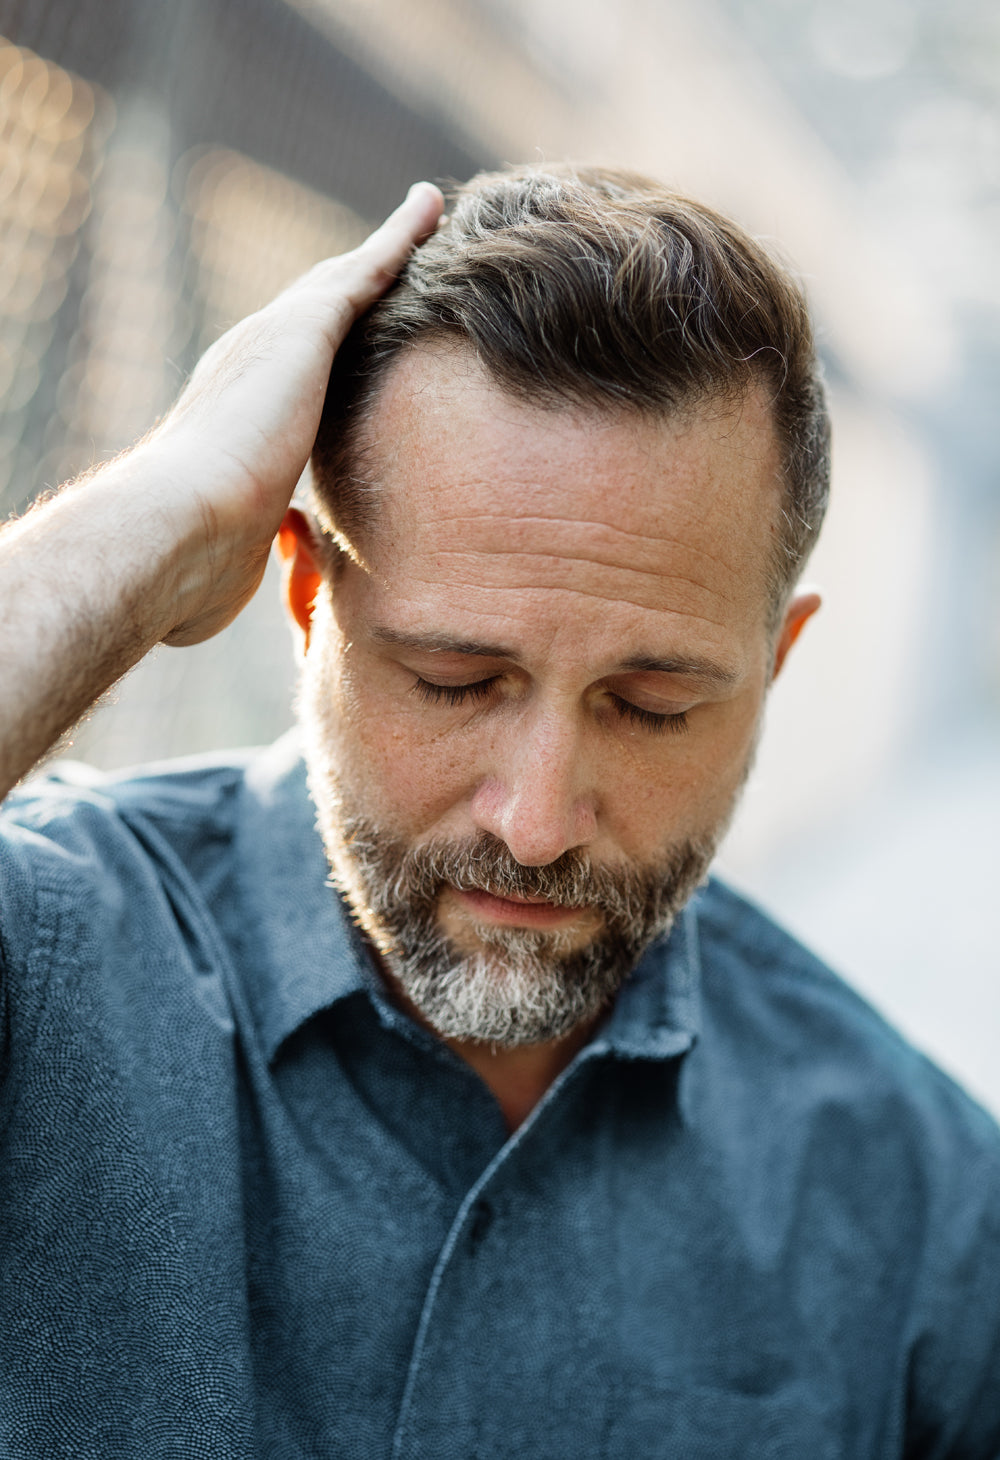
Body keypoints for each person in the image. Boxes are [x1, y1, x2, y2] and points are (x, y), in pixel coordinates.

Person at [0, 165, 998, 1458]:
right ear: (309, 606)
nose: (535, 824)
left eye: (650, 706)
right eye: (456, 682)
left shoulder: (922, 1204)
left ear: (775, 670)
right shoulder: (54, 957)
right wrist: (161, 509)